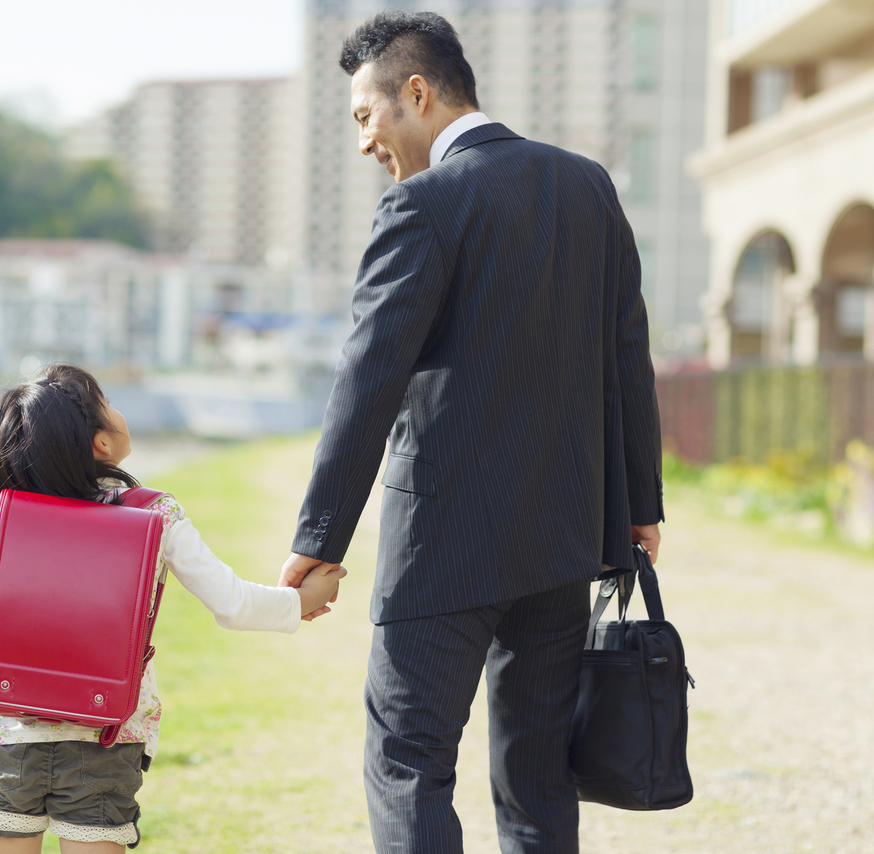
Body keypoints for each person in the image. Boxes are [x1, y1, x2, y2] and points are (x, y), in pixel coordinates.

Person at [278, 11, 663, 854]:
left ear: (415, 93)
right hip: (564, 538)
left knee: (409, 762)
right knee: (537, 783)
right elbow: (628, 354)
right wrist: (639, 507)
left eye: (364, 116)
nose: (363, 142)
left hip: (442, 551)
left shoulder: (421, 205)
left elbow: (366, 384)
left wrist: (318, 539)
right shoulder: (588, 185)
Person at [0, 363, 344, 853]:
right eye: (106, 402)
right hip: (104, 737)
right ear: (100, 443)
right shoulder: (153, 514)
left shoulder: (18, 517)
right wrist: (300, 601)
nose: (115, 408)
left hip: (7, 733)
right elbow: (232, 603)